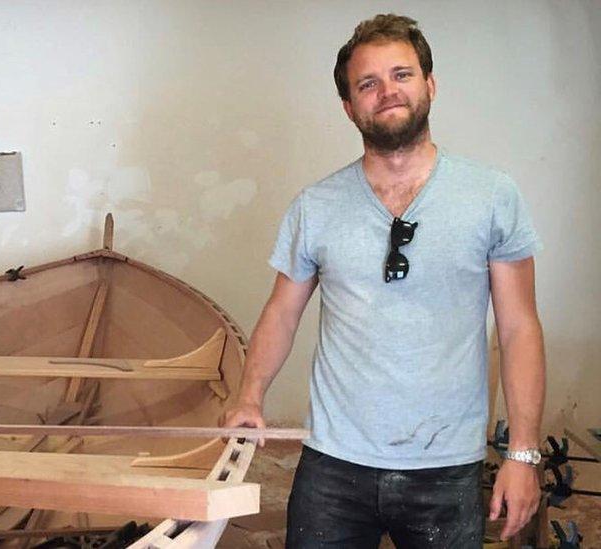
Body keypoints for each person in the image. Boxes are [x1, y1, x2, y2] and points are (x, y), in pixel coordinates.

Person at [223, 14, 545, 548]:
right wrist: (249, 394)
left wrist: (524, 454)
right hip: (333, 465)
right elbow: (282, 310)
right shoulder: (316, 206)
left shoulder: (492, 196)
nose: (387, 92)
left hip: (446, 467)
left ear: (430, 85)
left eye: (402, 74)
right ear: (349, 107)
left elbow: (519, 329)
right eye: (367, 83)